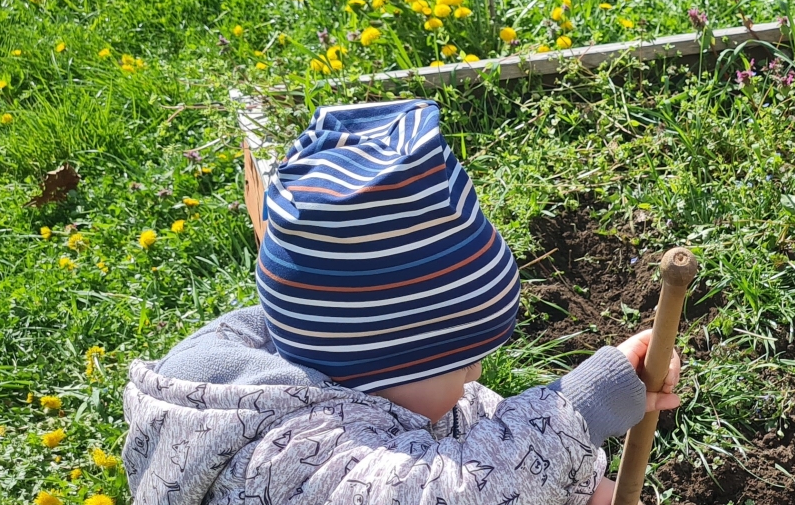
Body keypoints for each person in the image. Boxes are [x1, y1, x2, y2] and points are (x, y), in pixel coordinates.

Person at [122, 99, 681, 504]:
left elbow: (466, 431)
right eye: (462, 361)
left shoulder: (331, 363)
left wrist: (578, 483)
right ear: (388, 362)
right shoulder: (289, 460)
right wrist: (582, 407)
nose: (475, 377)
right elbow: (454, 491)